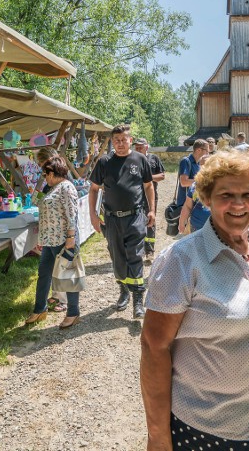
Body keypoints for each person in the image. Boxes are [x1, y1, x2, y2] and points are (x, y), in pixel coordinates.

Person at [141, 151, 249, 450]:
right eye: (226, 194)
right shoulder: (182, 259)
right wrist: (158, 435)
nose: (239, 204)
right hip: (209, 431)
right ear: (206, 198)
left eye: (248, 194)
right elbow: (154, 348)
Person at [89, 124, 155, 319]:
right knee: (117, 256)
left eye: (123, 140)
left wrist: (152, 210)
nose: (119, 143)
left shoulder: (140, 159)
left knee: (135, 255)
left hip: (135, 216)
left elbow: (149, 186)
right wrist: (93, 215)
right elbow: (94, 189)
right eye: (116, 140)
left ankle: (138, 299)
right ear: (112, 141)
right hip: (111, 219)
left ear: (130, 140)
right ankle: (124, 290)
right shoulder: (104, 162)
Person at [25, 155, 81, 328]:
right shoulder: (51, 188)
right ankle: (39, 309)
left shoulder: (66, 187)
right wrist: (41, 183)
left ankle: (73, 312)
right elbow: (35, 200)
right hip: (49, 240)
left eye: (45, 173)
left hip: (64, 240)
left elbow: (72, 214)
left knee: (67, 276)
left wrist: (70, 238)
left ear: (52, 172)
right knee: (44, 274)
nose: (44, 176)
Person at [134, 137, 165, 263]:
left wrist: (148, 178)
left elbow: (162, 176)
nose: (138, 149)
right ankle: (137, 251)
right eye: (136, 147)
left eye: (140, 147)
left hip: (150, 197)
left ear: (147, 147)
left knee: (150, 222)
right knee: (136, 223)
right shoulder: (131, 159)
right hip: (135, 197)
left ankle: (149, 251)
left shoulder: (154, 159)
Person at [175, 139, 208, 209]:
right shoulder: (186, 161)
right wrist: (202, 181)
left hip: (194, 202)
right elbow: (184, 182)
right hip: (185, 204)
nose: (208, 153)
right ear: (199, 150)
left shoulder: (199, 163)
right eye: (206, 150)